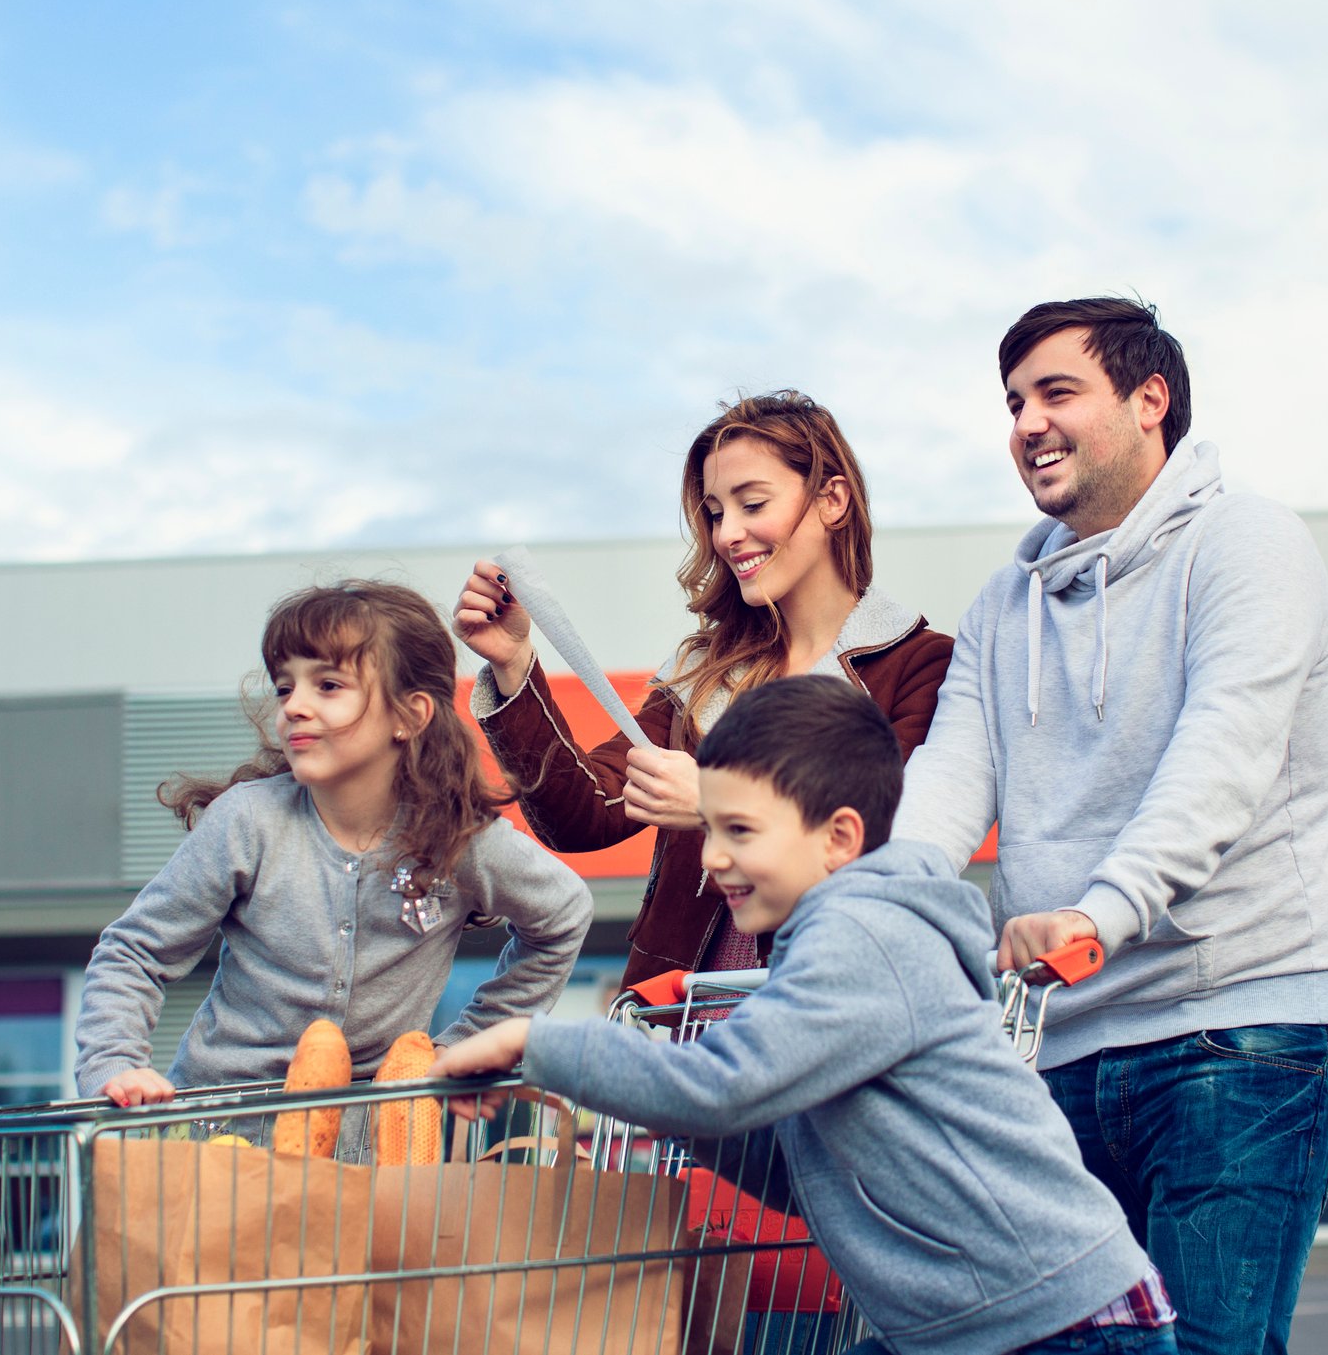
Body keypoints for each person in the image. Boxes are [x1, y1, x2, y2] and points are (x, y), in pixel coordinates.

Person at [435, 677, 1176, 1355]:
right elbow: (808, 1172)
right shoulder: (837, 942)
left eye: (740, 831)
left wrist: (533, 1039)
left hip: (1058, 1324)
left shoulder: (863, 937)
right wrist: (688, 1118)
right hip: (989, 1320)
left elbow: (723, 1085)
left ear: (839, 838)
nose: (712, 858)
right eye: (710, 829)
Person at [892, 297, 1328, 1355]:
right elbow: (946, 782)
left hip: (1235, 1029)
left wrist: (1099, 913)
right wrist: (879, 908)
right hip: (1058, 1048)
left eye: (1056, 391)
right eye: (1012, 402)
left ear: (1150, 401)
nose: (1026, 422)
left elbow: (1220, 761)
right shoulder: (1000, 608)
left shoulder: (1249, 545)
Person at [455, 390, 952, 988]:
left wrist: (718, 803)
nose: (727, 534)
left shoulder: (922, 664)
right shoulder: (703, 667)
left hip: (831, 1002)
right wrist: (514, 663)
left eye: (752, 504)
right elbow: (585, 814)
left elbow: (894, 844)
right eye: (716, 512)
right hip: (679, 1016)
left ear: (832, 500)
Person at [73, 580, 594, 1125]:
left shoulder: (461, 840)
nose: (294, 706)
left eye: (328, 685)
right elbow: (134, 952)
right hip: (217, 1139)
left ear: (410, 715)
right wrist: (114, 1065)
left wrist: (466, 1046)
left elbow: (564, 915)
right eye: (283, 688)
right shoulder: (248, 822)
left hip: (363, 1155)